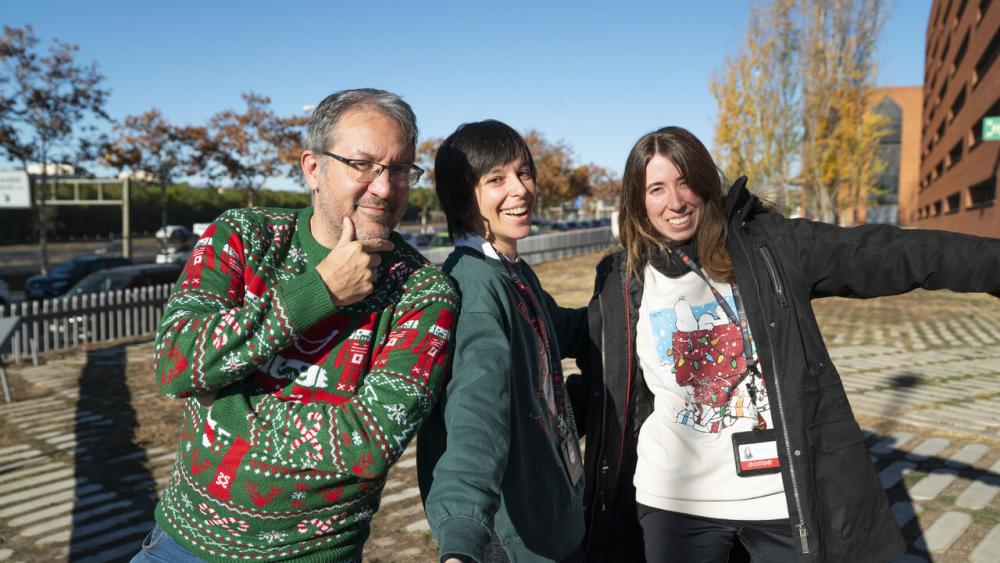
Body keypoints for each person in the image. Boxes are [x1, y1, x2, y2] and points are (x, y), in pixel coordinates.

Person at [574, 126, 1000, 563]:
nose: (675, 201)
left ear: (706, 183)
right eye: (657, 189)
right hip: (674, 503)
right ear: (639, 202)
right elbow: (581, 368)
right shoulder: (622, 280)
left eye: (685, 182)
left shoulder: (770, 247)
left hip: (778, 499)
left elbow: (884, 252)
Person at [132, 88, 460, 563]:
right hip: (182, 544)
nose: (385, 188)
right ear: (312, 167)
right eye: (362, 164)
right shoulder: (244, 237)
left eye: (399, 169)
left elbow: (367, 441)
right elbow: (175, 363)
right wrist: (319, 291)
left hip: (313, 554)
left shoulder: (422, 292)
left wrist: (223, 408)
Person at [417, 120, 588, 563]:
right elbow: (477, 412)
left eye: (524, 173)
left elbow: (562, 329)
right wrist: (463, 535)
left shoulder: (512, 270)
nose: (521, 189)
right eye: (496, 179)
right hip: (521, 542)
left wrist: (634, 303)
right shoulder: (473, 286)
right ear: (461, 196)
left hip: (555, 518)